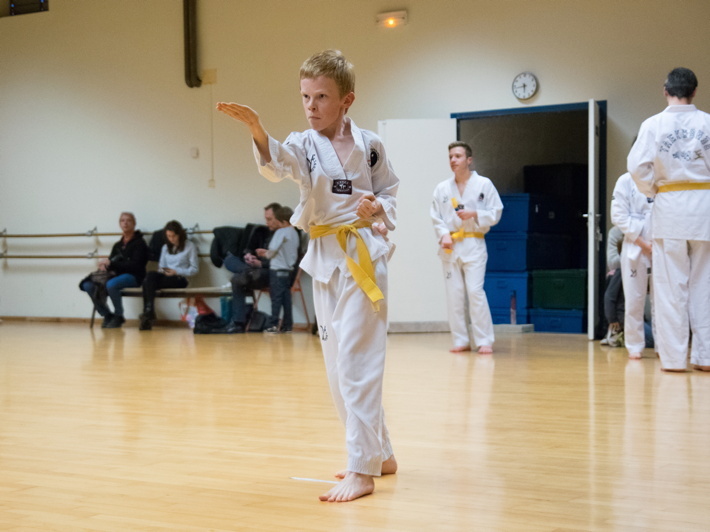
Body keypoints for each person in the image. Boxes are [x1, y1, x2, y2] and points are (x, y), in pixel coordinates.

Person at [217, 49, 399, 503]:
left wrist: (377, 207)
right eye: (305, 96)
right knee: (337, 365)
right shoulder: (303, 144)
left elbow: (390, 191)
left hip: (362, 255)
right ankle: (380, 453)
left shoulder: (371, 145)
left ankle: (362, 469)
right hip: (323, 257)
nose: (311, 106)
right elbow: (276, 164)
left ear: (347, 100)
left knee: (357, 361)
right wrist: (257, 129)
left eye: (322, 97)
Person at [627, 67, 710, 372]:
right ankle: (706, 356)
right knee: (705, 284)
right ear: (695, 91)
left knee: (670, 287)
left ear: (665, 90)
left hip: (670, 205)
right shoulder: (708, 123)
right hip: (705, 207)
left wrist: (653, 189)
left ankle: (674, 359)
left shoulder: (653, 125)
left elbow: (637, 167)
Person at [430, 141, 503, 355]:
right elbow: (436, 216)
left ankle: (484, 340)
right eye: (450, 157)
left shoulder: (484, 184)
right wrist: (443, 234)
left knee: (475, 291)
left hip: (474, 243)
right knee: (454, 294)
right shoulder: (442, 188)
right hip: (451, 245)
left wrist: (475, 214)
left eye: (458, 156)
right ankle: (461, 340)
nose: (453, 160)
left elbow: (496, 211)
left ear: (469, 160)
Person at [79, 212, 149, 328]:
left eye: (128, 220)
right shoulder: (117, 245)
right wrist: (104, 266)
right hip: (115, 275)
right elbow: (112, 263)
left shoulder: (140, 243)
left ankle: (118, 315)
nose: (125, 223)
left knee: (111, 284)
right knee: (88, 285)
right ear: (119, 224)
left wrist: (112, 264)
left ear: (134, 224)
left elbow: (136, 265)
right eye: (122, 220)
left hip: (134, 276)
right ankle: (107, 314)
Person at [610, 172, 653, 359]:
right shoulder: (625, 180)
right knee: (634, 298)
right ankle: (634, 345)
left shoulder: (662, 176)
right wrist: (642, 243)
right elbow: (618, 216)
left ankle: (664, 345)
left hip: (661, 240)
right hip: (634, 243)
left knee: (664, 299)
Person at [222, 203, 281, 333]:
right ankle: (248, 271)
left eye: (270, 219)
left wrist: (261, 264)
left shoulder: (285, 235)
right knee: (229, 260)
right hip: (253, 269)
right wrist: (248, 256)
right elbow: (249, 249)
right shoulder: (262, 231)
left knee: (237, 279)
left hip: (268, 271)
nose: (267, 222)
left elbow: (285, 262)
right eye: (266, 219)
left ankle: (238, 322)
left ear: (279, 218)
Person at [139, 220, 199, 331]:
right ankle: (149, 311)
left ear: (179, 234)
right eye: (169, 236)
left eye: (173, 236)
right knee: (150, 276)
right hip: (166, 276)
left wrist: (176, 271)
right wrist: (166, 271)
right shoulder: (165, 247)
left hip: (181, 278)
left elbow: (194, 269)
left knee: (148, 283)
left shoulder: (190, 246)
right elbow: (161, 267)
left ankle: (148, 312)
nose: (171, 239)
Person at [255, 205, 300, 333]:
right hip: (288, 270)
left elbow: (273, 250)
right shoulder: (294, 233)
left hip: (277, 270)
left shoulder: (281, 232)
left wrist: (265, 254)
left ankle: (273, 324)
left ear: (284, 222)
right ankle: (287, 325)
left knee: (276, 299)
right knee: (286, 299)